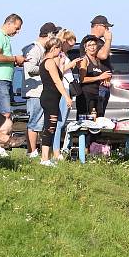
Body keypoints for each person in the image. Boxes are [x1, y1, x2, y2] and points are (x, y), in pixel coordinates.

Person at [23, 22, 60, 158]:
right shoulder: (34, 49)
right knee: (35, 122)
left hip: (41, 91)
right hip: (34, 91)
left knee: (41, 122)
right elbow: (29, 68)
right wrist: (46, 68)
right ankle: (31, 151)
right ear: (49, 35)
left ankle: (36, 151)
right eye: (54, 35)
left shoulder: (42, 50)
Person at [0, 14, 26, 126]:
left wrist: (15, 62)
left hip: (3, 81)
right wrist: (15, 58)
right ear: (9, 23)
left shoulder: (4, 37)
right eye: (16, 28)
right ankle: (0, 141)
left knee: (3, 115)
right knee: (4, 115)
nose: (17, 31)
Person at [38, 37, 71, 167]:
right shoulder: (49, 62)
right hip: (50, 97)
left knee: (51, 126)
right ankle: (44, 158)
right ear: (54, 48)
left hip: (52, 97)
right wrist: (66, 96)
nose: (60, 51)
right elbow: (57, 81)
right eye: (59, 48)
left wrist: (62, 64)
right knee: (50, 127)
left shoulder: (49, 62)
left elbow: (59, 76)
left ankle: (46, 156)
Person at [52, 29, 83, 158]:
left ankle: (56, 150)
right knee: (59, 121)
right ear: (64, 41)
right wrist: (71, 64)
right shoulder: (59, 55)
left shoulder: (63, 54)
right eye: (69, 44)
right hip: (63, 89)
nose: (71, 47)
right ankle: (56, 151)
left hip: (66, 88)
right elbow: (57, 71)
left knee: (61, 121)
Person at [76, 15, 114, 118]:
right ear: (97, 26)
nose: (107, 30)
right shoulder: (89, 40)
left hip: (102, 85)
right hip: (93, 88)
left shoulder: (100, 42)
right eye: (105, 27)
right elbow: (103, 55)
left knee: (99, 117)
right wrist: (108, 40)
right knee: (93, 118)